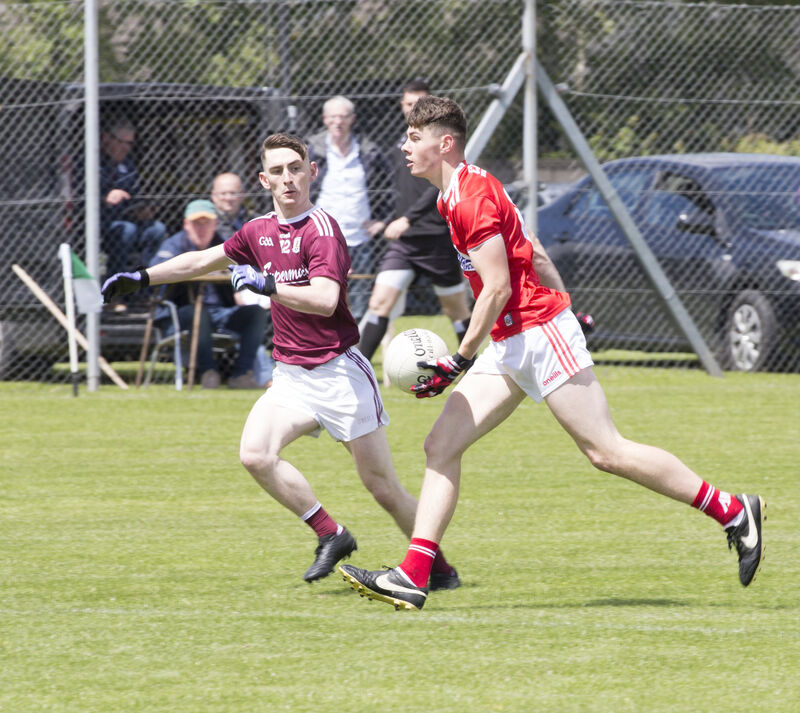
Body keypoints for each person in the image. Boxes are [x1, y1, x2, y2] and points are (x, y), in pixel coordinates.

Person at [339, 96, 765, 611]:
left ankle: (734, 510)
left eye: (413, 136)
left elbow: (495, 288)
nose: (404, 146)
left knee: (606, 451)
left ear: (443, 143)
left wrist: (461, 357)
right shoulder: (457, 192)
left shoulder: (471, 198)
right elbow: (534, 250)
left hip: (538, 335)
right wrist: (568, 307)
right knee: (441, 445)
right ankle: (414, 574)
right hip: (514, 340)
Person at [101, 133, 460, 588]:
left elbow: (326, 300)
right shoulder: (258, 230)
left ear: (312, 172)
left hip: (339, 372)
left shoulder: (322, 230)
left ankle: (439, 569)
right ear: (264, 179)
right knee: (255, 455)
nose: (287, 178)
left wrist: (268, 286)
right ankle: (332, 534)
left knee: (383, 488)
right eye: (277, 171)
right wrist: (143, 277)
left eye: (295, 168)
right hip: (291, 375)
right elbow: (202, 261)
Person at [357, 80, 472, 361]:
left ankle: (472, 368)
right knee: (379, 302)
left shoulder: (440, 145)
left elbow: (440, 184)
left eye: (419, 103)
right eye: (409, 104)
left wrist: (408, 218)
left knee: (455, 309)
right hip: (405, 242)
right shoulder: (405, 142)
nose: (413, 109)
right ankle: (357, 372)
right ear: (401, 106)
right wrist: (386, 220)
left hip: (435, 237)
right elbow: (398, 192)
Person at [147, 199, 267, 390]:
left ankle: (242, 374)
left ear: (215, 224)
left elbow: (247, 268)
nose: (201, 229)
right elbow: (156, 272)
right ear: (186, 224)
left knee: (255, 312)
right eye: (196, 223)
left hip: (220, 312)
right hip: (178, 313)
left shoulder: (223, 245)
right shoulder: (174, 245)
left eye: (206, 223)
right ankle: (208, 372)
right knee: (198, 312)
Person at [306, 95, 394, 321]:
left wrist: (383, 221)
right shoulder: (311, 151)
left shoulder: (368, 151)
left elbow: (390, 188)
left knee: (362, 298)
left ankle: (358, 350)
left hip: (360, 239)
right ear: (325, 119)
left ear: (352, 119)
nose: (338, 122)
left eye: (343, 117)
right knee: (326, 296)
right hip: (324, 240)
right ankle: (329, 348)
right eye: (333, 117)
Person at [210, 171, 276, 387]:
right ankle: (266, 376)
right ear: (213, 196)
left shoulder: (255, 222)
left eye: (233, 193)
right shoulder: (208, 226)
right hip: (222, 295)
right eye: (223, 193)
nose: (228, 198)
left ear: (242, 195)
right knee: (252, 318)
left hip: (257, 286)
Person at [97, 117, 166, 278]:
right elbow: (79, 196)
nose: (126, 148)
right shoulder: (90, 162)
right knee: (127, 230)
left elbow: (133, 198)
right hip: (100, 225)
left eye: (129, 143)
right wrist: (105, 198)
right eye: (122, 142)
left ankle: (144, 287)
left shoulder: (127, 166)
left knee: (157, 229)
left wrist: (142, 211)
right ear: (106, 138)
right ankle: (114, 290)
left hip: (127, 219)